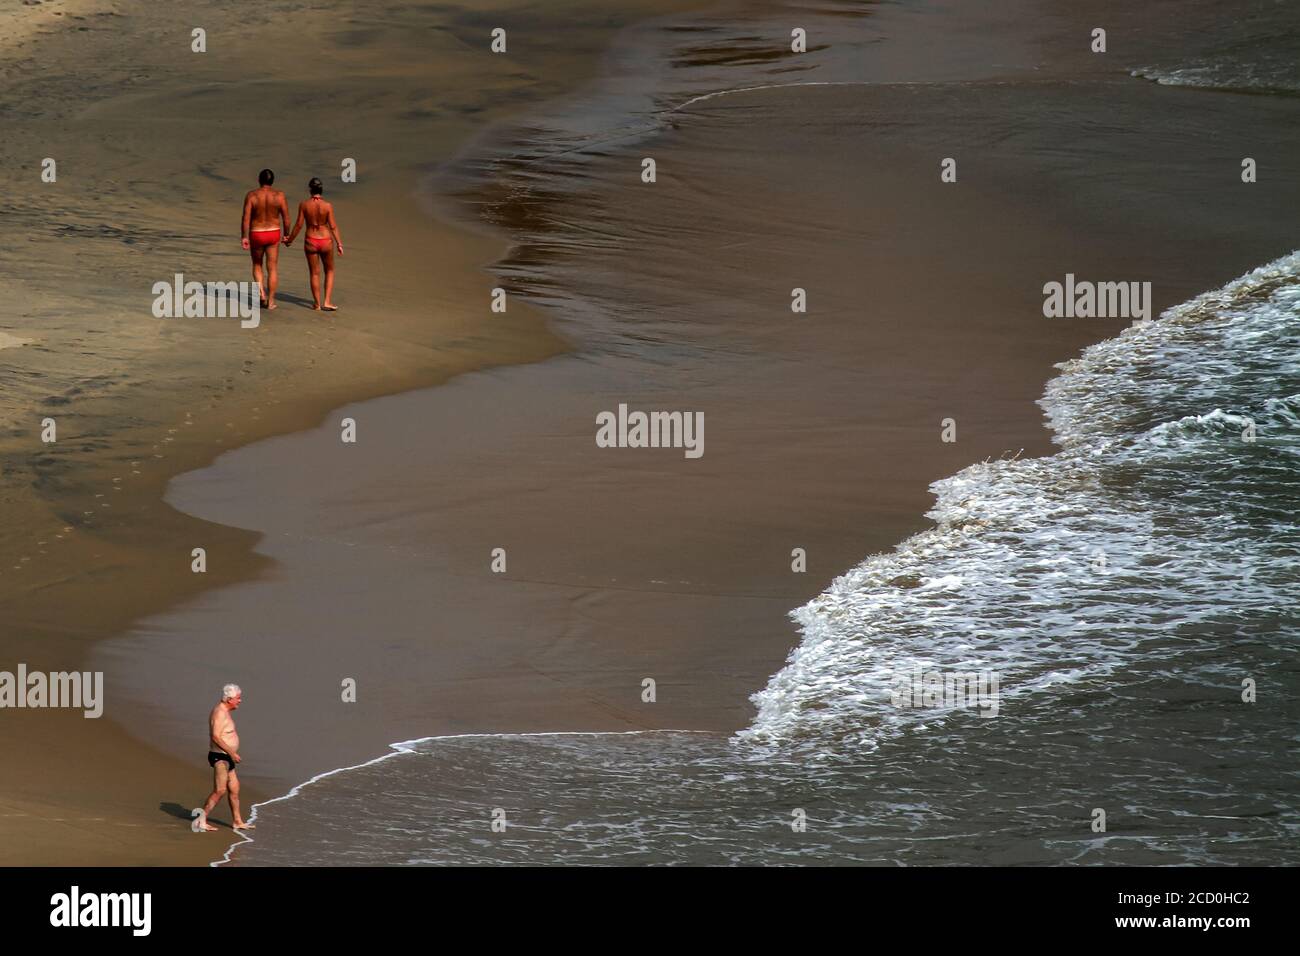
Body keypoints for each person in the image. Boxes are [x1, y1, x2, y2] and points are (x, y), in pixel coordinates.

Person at [197, 683, 253, 831]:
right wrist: (232, 753)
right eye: (238, 698)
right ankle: (201, 820)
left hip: (227, 756)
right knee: (220, 790)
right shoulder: (219, 713)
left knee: (234, 790)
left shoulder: (225, 712)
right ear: (229, 699)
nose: (240, 701)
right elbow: (215, 736)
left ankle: (237, 821)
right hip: (220, 756)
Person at [285, 177, 344, 311]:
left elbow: (299, 225)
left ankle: (317, 304)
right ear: (321, 190)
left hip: (311, 240)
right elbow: (333, 227)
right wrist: (339, 243)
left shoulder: (304, 205)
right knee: (329, 270)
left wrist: (290, 240)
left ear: (310, 189)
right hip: (326, 240)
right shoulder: (327, 206)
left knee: (314, 273)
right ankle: (327, 301)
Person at [240, 169, 291, 310]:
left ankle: (261, 292)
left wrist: (244, 236)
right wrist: (287, 235)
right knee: (272, 268)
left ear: (259, 179)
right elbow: (286, 219)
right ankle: (271, 301)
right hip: (273, 233)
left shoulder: (252, 195)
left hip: (257, 233)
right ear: (272, 181)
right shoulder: (280, 196)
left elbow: (246, 218)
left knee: (257, 264)